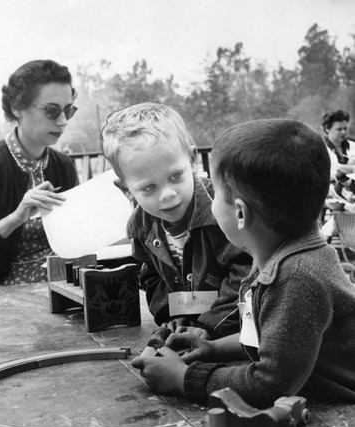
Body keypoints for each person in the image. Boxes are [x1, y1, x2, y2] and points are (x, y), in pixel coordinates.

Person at [131, 119, 355, 409]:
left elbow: (270, 384)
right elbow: (271, 338)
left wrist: (184, 377)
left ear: (239, 214)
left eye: (216, 195)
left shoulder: (296, 278)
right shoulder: (277, 254)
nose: (209, 203)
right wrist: (211, 348)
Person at [100, 103, 252, 339]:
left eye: (176, 176)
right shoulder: (140, 229)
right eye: (149, 187)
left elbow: (247, 273)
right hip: (193, 331)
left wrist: (208, 326)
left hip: (239, 331)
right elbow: (152, 278)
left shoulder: (225, 211)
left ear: (192, 160)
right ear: (126, 190)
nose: (168, 194)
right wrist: (172, 316)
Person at [0, 59, 79, 289]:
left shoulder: (63, 165)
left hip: (60, 287)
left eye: (69, 110)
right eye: (52, 110)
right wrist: (16, 218)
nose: (63, 121)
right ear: (17, 107)